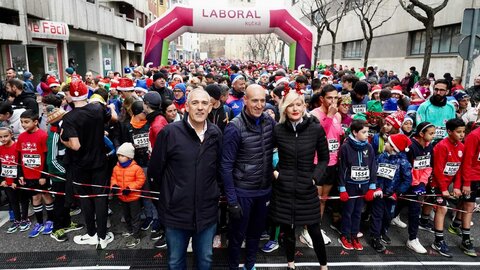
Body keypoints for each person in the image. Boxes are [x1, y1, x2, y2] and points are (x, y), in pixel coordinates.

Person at [148, 88, 223, 270]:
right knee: (175, 261)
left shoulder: (216, 134)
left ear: (211, 107)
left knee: (205, 260)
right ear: (187, 106)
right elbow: (155, 171)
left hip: (206, 213)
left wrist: (213, 194)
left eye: (204, 103)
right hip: (176, 213)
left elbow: (219, 170)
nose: (199, 108)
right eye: (195, 103)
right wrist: (168, 199)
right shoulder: (170, 133)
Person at [270, 88, 329, 270]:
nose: (295, 109)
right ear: (284, 108)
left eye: (298, 104)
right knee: (288, 230)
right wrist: (275, 173)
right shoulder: (278, 130)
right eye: (290, 105)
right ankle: (291, 264)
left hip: (306, 187)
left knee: (314, 230)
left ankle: (324, 266)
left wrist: (313, 178)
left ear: (304, 106)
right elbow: (266, 155)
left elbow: (324, 158)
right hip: (284, 188)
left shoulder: (315, 128)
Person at [221, 84, 275, 270]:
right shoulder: (234, 127)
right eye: (254, 100)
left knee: (255, 233)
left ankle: (250, 265)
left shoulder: (269, 121)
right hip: (242, 192)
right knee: (236, 236)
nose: (259, 105)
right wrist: (232, 200)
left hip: (264, 191)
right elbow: (226, 166)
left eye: (262, 100)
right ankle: (234, 267)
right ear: (245, 100)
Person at [60, 80, 113, 250]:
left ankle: (91, 234)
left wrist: (63, 140)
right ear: (87, 93)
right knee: (101, 198)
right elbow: (113, 117)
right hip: (100, 161)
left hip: (80, 165)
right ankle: (103, 237)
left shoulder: (69, 117)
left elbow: (75, 146)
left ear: (70, 97)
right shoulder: (97, 108)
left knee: (86, 199)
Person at [391, 122, 436, 254]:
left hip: (418, 184)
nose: (433, 136)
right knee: (413, 209)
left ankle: (395, 220)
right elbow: (406, 168)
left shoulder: (429, 147)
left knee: (405, 203)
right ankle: (412, 239)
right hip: (408, 182)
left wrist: (422, 183)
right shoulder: (410, 147)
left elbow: (428, 166)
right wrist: (415, 183)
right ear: (421, 134)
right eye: (431, 133)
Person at [44, 103, 83, 242]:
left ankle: (66, 223)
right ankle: (56, 228)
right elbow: (52, 160)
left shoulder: (62, 131)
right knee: (59, 202)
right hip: (58, 176)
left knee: (67, 201)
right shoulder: (54, 135)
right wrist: (64, 174)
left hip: (66, 172)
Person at [310, 84, 343, 245]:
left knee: (323, 199)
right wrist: (329, 116)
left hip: (333, 162)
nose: (333, 101)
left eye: (336, 97)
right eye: (329, 97)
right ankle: (307, 230)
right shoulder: (313, 115)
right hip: (317, 163)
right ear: (322, 99)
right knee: (314, 199)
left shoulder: (338, 116)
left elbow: (337, 138)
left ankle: (317, 227)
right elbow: (317, 136)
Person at [338, 119, 378, 251]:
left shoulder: (369, 147)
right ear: (355, 132)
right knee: (348, 212)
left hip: (364, 186)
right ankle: (345, 235)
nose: (367, 134)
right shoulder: (345, 147)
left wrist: (372, 187)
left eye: (368, 132)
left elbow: (373, 167)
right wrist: (342, 188)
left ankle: (354, 235)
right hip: (350, 185)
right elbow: (342, 168)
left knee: (358, 212)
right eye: (364, 132)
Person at [369, 134, 412, 252]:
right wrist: (376, 187)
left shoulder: (403, 162)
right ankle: (375, 237)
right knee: (377, 214)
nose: (385, 144)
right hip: (379, 194)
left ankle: (383, 231)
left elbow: (407, 180)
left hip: (392, 195)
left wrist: (397, 193)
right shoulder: (380, 157)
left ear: (393, 147)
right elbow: (373, 172)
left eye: (387, 143)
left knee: (388, 216)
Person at [429, 118, 465, 258]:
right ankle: (438, 241)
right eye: (458, 132)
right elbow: (438, 170)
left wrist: (456, 187)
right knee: (443, 208)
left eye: (463, 132)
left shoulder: (461, 147)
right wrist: (444, 188)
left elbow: (459, 169)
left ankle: (424, 219)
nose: (462, 135)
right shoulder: (442, 146)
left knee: (438, 206)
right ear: (449, 131)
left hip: (447, 181)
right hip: (435, 182)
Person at [16, 109, 53, 237]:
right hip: (27, 174)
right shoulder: (21, 137)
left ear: (36, 122)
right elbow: (20, 157)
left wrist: (44, 175)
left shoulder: (43, 135)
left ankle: (50, 220)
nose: (23, 124)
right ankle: (39, 223)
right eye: (21, 122)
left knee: (46, 196)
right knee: (35, 198)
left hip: (40, 174)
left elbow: (47, 156)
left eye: (26, 122)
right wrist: (20, 174)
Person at [449, 119, 480, 257]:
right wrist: (466, 182)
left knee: (465, 202)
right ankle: (465, 240)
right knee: (469, 206)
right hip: (472, 175)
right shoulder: (474, 136)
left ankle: (455, 224)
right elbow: (466, 161)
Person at [110, 142, 146, 248]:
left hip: (133, 198)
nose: (119, 157)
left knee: (135, 217)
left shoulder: (136, 168)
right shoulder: (116, 168)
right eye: (118, 155)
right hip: (122, 197)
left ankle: (136, 235)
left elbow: (141, 180)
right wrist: (114, 186)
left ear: (129, 156)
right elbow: (113, 178)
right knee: (126, 216)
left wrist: (130, 188)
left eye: (122, 155)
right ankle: (130, 230)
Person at [0, 127, 26, 233]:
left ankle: (25, 218)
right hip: (7, 180)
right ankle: (17, 219)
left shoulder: (17, 147)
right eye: (0, 137)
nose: (3, 139)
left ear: (11, 135)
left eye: (5, 136)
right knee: (12, 201)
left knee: (23, 199)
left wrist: (16, 181)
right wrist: (1, 180)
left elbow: (21, 165)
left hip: (18, 179)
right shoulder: (0, 149)